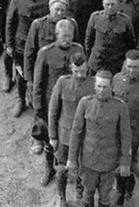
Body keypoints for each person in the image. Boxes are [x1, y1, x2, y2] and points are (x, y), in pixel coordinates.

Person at [67, 70, 132, 207]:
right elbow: (76, 132)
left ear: (111, 87)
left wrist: (125, 162)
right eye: (99, 86)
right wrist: (72, 159)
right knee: (87, 194)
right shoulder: (85, 103)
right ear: (95, 87)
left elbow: (126, 136)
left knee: (105, 196)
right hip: (89, 160)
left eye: (105, 87)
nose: (101, 90)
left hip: (109, 161)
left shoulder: (120, 106)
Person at [33, 19, 85, 185]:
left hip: (72, 103)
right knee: (50, 138)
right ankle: (49, 168)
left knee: (71, 136)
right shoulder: (46, 52)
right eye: (63, 36)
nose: (66, 39)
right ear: (56, 35)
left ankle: (70, 169)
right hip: (51, 103)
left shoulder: (78, 50)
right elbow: (38, 82)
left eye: (69, 36)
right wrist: (38, 107)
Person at [48, 53, 95, 207]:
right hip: (65, 136)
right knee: (61, 170)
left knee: (84, 167)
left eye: (83, 71)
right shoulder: (63, 83)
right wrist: (53, 136)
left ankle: (80, 191)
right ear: (71, 69)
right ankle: (62, 197)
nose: (80, 75)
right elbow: (53, 111)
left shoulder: (94, 84)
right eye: (76, 71)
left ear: (87, 66)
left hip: (85, 137)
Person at [6, 0, 49, 116]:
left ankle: (37, 101)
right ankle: (21, 100)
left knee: (40, 73)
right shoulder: (17, 0)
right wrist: (9, 45)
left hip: (40, 45)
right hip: (21, 45)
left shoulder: (47, 0)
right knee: (21, 74)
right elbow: (10, 23)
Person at [85, 0, 136, 75]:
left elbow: (131, 44)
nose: (109, 7)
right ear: (102, 4)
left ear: (118, 4)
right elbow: (88, 41)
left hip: (116, 65)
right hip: (96, 64)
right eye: (107, 4)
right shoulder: (95, 17)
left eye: (112, 4)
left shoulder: (125, 21)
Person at [112, 50, 139, 204]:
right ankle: (120, 190)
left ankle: (127, 187)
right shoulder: (116, 79)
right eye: (129, 66)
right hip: (117, 131)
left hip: (135, 133)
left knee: (130, 163)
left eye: (135, 67)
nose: (131, 70)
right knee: (118, 161)